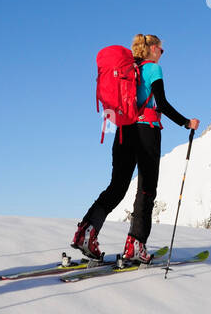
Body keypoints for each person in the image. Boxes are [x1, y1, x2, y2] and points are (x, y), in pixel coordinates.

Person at [73, 33, 199, 264]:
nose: (162, 53)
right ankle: (136, 244)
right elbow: (161, 103)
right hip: (147, 131)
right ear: (152, 49)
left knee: (117, 186)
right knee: (146, 188)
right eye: (161, 49)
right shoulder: (153, 69)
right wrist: (186, 122)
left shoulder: (128, 70)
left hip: (124, 131)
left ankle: (86, 232)